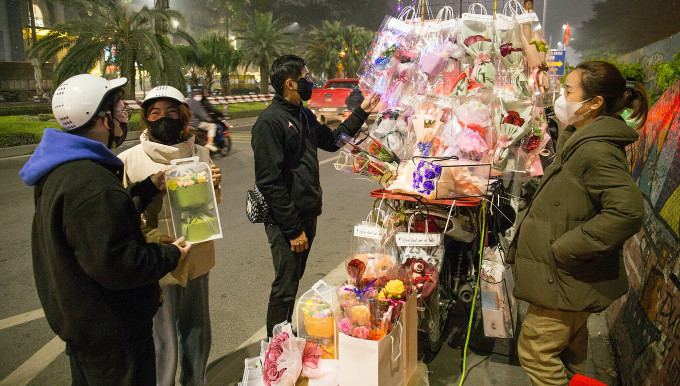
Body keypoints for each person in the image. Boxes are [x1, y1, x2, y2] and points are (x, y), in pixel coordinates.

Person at [19, 74, 191, 385]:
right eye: (121, 111)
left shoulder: (64, 171)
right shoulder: (93, 185)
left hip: (87, 332)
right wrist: (169, 254)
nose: (125, 119)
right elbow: (120, 263)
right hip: (114, 341)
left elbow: (101, 226)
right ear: (103, 119)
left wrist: (146, 188)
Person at [509, 61, 647, 385]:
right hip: (569, 280)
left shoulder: (596, 149)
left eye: (568, 92)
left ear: (594, 103)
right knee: (571, 352)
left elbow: (627, 211)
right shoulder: (582, 138)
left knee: (535, 352)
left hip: (564, 279)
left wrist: (567, 248)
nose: (561, 97)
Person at [251, 54, 381, 336]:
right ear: (290, 83)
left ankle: (285, 339)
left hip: (307, 214)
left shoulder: (302, 114)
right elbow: (269, 182)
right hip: (289, 222)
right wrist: (293, 229)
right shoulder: (269, 123)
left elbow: (333, 141)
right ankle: (275, 350)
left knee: (293, 280)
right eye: (307, 78)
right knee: (285, 287)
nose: (311, 82)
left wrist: (362, 111)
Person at [118, 85, 221, 386]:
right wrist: (154, 239)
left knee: (197, 332)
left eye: (172, 112)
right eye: (155, 113)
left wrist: (214, 184)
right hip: (158, 264)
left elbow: (210, 208)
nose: (164, 118)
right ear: (146, 120)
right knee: (162, 342)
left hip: (198, 259)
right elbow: (126, 217)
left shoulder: (200, 153)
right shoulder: (130, 160)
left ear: (183, 117)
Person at [186, 85, 221, 153]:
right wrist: (210, 120)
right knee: (212, 126)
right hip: (195, 123)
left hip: (188, 122)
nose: (199, 96)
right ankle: (209, 144)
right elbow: (202, 115)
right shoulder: (195, 102)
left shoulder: (189, 101)